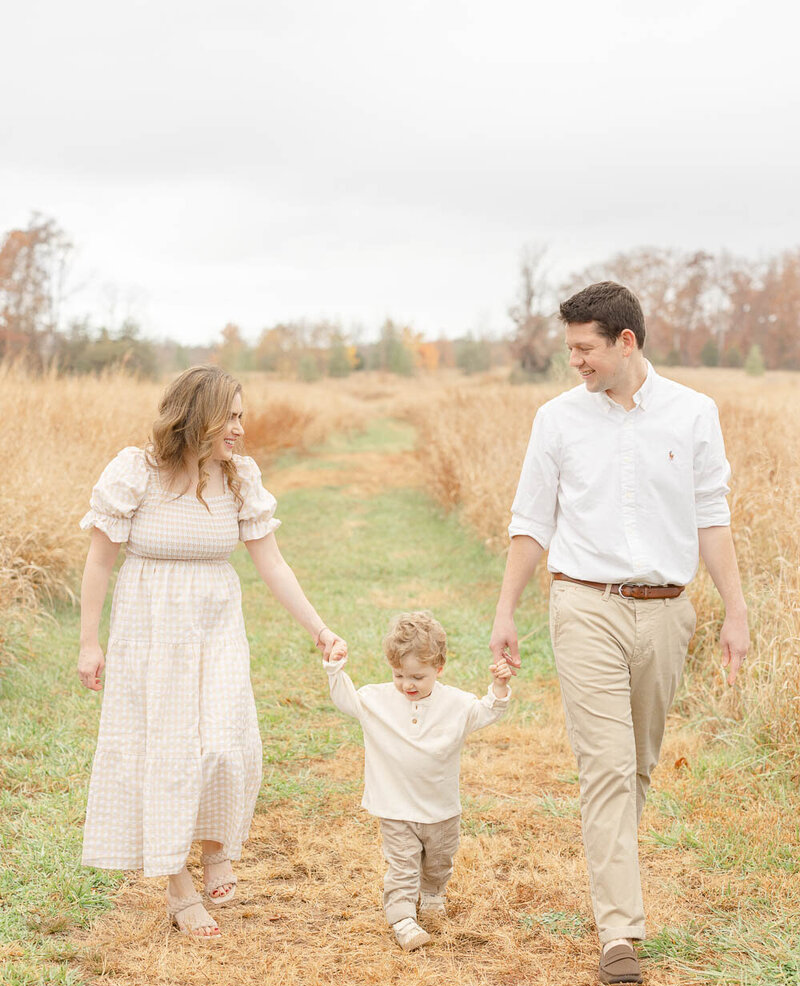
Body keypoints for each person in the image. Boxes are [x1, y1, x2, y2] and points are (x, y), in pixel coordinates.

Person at [490, 282, 749, 986]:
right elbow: (532, 520)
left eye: (585, 348)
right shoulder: (557, 421)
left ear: (624, 342)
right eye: (569, 348)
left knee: (635, 765)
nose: (574, 361)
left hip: (668, 610)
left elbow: (711, 517)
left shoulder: (695, 414)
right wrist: (506, 610)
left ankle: (612, 878)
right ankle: (620, 933)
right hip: (585, 606)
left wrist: (736, 609)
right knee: (604, 767)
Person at [77, 364, 345, 940]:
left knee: (229, 743)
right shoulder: (135, 472)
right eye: (233, 417)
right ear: (198, 415)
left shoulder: (240, 477)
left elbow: (271, 562)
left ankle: (217, 848)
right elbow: (100, 560)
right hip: (150, 626)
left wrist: (319, 628)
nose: (241, 430)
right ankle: (178, 887)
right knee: (167, 753)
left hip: (216, 623)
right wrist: (88, 642)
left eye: (243, 418)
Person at [323, 611, 512, 951]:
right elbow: (344, 699)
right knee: (403, 864)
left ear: (439, 668)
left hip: (441, 808)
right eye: (399, 675)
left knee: (439, 860)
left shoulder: (456, 703)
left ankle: (433, 893)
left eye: (417, 677)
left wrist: (499, 686)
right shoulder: (376, 700)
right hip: (395, 806)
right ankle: (402, 917)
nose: (407, 684)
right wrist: (335, 669)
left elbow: (487, 710)